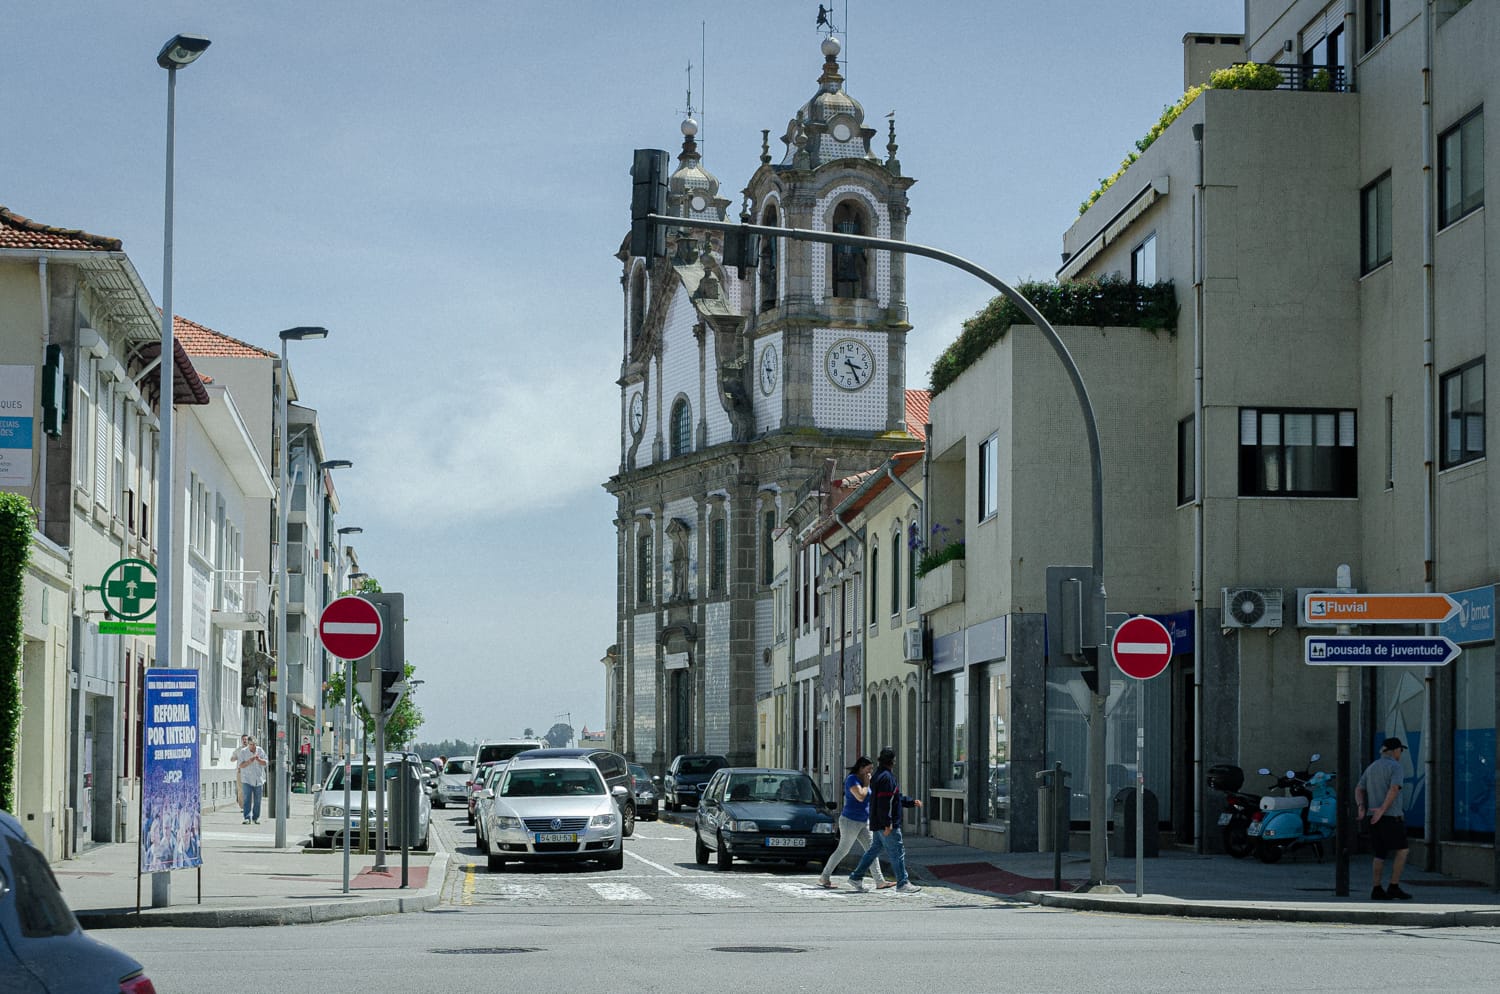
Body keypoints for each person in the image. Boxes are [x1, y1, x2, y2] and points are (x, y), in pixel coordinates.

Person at [848, 746, 923, 894]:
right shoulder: (887, 778)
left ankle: (856, 877)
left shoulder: (878, 776)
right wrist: (888, 822)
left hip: (877, 821)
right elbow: (885, 802)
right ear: (893, 762)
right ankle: (903, 883)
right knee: (897, 852)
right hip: (886, 824)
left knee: (873, 850)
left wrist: (910, 802)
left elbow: (894, 798)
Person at [818, 757, 890, 890]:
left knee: (871, 850)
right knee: (843, 850)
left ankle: (880, 881)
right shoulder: (852, 779)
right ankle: (825, 877)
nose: (870, 772)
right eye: (868, 769)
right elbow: (860, 796)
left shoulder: (865, 780)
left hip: (864, 821)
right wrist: (867, 784)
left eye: (872, 769)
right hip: (850, 821)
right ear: (861, 768)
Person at [1356, 737, 1412, 900]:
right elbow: (1394, 789)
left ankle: (1376, 888)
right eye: (1400, 750)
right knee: (1402, 850)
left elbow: (1359, 788)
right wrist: (1382, 809)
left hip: (1374, 817)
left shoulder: (1372, 767)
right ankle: (1393, 886)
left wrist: (1361, 807)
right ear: (1395, 751)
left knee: (1380, 853)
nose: (1400, 754)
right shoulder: (1395, 767)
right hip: (1392, 817)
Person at [236, 735, 269, 825]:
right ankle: (247, 817)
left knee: (258, 800)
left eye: (254, 744)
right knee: (247, 799)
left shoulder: (260, 750)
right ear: (248, 744)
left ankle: (256, 817)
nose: (253, 746)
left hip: (258, 779)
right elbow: (241, 765)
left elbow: (266, 763)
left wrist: (259, 760)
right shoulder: (243, 752)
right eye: (251, 744)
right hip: (247, 779)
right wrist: (250, 761)